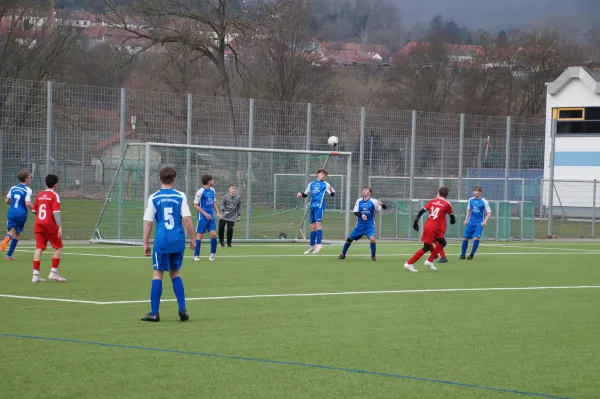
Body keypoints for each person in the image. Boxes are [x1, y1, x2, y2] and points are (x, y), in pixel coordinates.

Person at [141, 167, 196, 322]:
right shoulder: (180, 196)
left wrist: (145, 243)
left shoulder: (154, 197)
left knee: (158, 274)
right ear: (174, 180)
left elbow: (149, 223)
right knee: (175, 273)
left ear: (160, 179)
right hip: (178, 240)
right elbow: (186, 219)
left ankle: (154, 313)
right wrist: (193, 239)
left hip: (162, 241)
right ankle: (182, 309)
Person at [404, 187, 455, 272]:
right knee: (426, 247)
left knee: (443, 242)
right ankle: (409, 263)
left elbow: (422, 211)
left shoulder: (432, 201)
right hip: (433, 228)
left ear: (439, 193)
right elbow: (452, 217)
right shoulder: (447, 204)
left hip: (430, 226)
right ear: (447, 195)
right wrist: (452, 221)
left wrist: (416, 221)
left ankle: (429, 261)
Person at [31, 174, 65, 282]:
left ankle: (35, 276)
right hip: (50, 225)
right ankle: (53, 274)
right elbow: (56, 212)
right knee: (58, 247)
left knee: (39, 248)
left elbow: (34, 210)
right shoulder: (54, 195)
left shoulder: (40, 194)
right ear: (56, 185)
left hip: (39, 224)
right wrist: (59, 226)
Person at [338, 187, 387, 261]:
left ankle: (373, 256)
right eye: (363, 190)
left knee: (372, 239)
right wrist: (361, 215)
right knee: (349, 239)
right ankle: (343, 254)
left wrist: (382, 204)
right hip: (359, 226)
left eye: (366, 190)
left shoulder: (373, 201)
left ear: (370, 193)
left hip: (369, 226)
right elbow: (355, 212)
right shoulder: (359, 201)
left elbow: (385, 207)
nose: (364, 191)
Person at [296, 169, 335, 254]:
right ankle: (312, 245)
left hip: (320, 206)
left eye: (324, 174)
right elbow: (305, 194)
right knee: (312, 226)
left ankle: (319, 244)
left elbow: (332, 194)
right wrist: (300, 195)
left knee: (318, 224)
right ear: (318, 174)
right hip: (312, 206)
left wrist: (332, 192)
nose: (323, 175)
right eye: (322, 174)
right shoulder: (311, 184)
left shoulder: (325, 184)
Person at [2, 170, 33, 260]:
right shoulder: (28, 190)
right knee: (17, 234)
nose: (30, 179)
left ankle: (6, 239)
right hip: (21, 213)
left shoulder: (13, 188)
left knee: (10, 232)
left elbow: (7, 200)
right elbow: (27, 203)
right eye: (30, 177)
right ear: (26, 179)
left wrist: (13, 205)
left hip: (11, 212)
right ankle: (9, 255)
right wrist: (36, 209)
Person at [193, 174, 221, 261]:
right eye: (212, 180)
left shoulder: (213, 190)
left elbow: (213, 203)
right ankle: (196, 255)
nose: (213, 181)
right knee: (200, 235)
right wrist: (204, 213)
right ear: (208, 181)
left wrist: (217, 212)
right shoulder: (200, 192)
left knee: (214, 234)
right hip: (202, 217)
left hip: (211, 217)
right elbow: (195, 205)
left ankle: (212, 254)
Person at [461, 186, 492, 260]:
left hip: (479, 223)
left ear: (480, 192)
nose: (475, 192)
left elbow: (489, 213)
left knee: (476, 238)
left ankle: (471, 254)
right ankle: (463, 255)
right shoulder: (471, 200)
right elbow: (468, 210)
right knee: (465, 238)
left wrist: (485, 222)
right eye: (474, 191)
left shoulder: (484, 201)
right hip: (471, 222)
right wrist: (466, 220)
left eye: (477, 191)